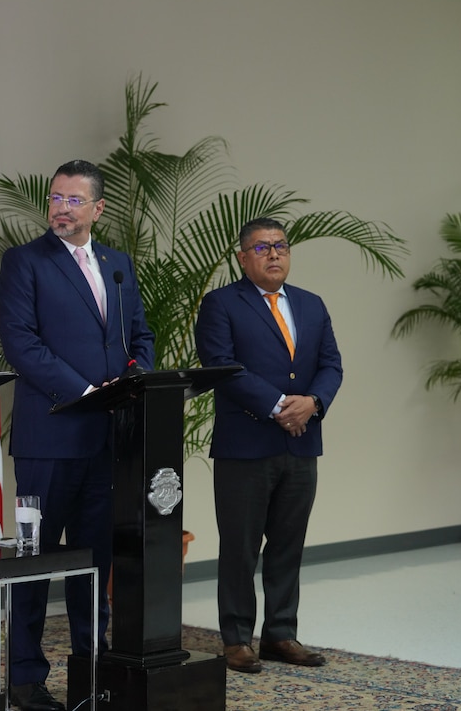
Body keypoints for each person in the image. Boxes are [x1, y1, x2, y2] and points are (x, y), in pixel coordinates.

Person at [0, 159, 155, 711]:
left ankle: (93, 669)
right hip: (50, 440)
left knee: (94, 561)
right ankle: (24, 678)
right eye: (55, 199)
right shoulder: (25, 262)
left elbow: (141, 334)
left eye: (72, 200)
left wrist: (135, 381)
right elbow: (21, 343)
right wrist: (88, 392)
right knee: (35, 562)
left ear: (97, 209)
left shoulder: (117, 263)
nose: (61, 208)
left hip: (108, 440)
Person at [194, 217, 343, 674]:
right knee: (240, 546)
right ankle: (237, 639)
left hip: (302, 444)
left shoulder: (312, 305)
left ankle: (281, 634)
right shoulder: (221, 304)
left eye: (280, 246)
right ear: (242, 258)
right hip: (246, 444)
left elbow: (332, 365)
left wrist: (312, 402)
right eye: (262, 248)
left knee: (288, 544)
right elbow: (221, 365)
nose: (274, 254)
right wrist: (280, 405)